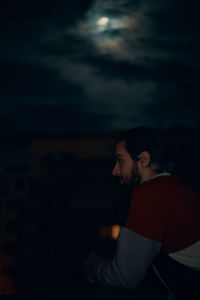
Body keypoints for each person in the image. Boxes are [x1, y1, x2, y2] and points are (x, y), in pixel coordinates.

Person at [84, 127, 200, 299]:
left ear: (143, 160)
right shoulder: (181, 188)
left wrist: (93, 265)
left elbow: (125, 277)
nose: (114, 170)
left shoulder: (150, 193)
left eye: (120, 161)